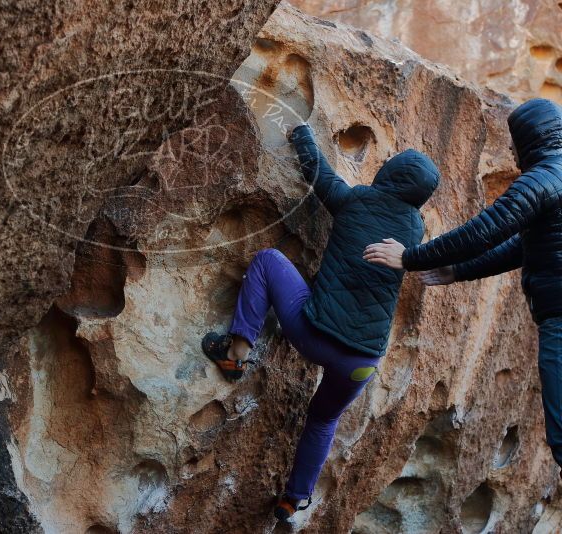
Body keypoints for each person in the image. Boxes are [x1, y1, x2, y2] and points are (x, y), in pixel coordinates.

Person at [202, 123, 440, 521]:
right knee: (324, 420)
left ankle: (235, 353)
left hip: (313, 333)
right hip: (361, 362)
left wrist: (300, 131)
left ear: (390, 174)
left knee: (268, 261)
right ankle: (293, 499)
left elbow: (317, 171)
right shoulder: (413, 232)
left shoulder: (357, 201)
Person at [363, 98, 562, 473]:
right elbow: (524, 246)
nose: (510, 151)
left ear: (528, 140)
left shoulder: (544, 178)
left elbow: (487, 230)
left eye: (513, 142)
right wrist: (458, 271)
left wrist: (411, 257)